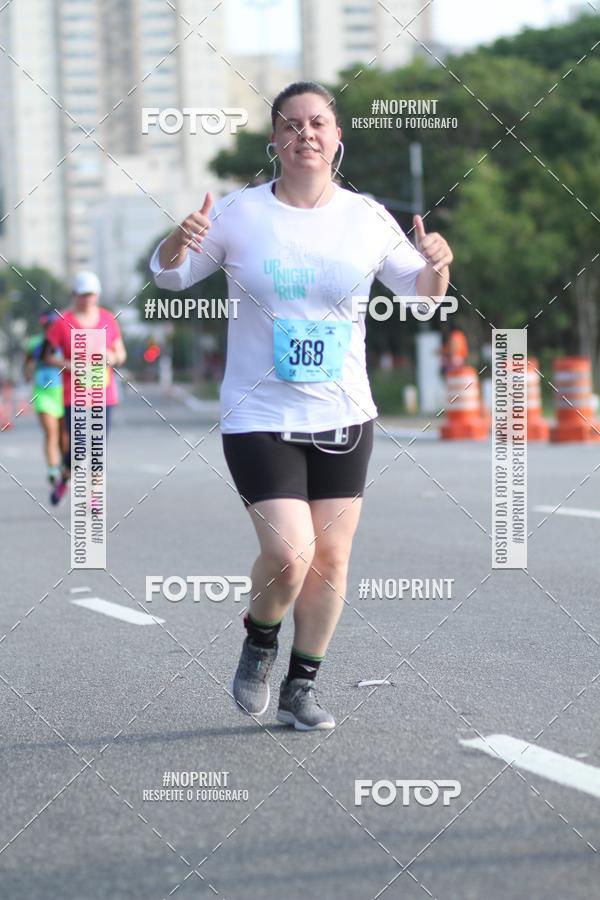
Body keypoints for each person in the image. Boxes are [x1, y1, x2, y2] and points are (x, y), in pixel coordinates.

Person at [149, 81, 453, 731]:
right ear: (275, 140)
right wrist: (180, 238)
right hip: (259, 413)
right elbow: (171, 276)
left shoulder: (366, 217)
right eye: (291, 124)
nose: (305, 134)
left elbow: (423, 294)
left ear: (337, 138)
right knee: (291, 553)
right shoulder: (240, 213)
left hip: (343, 411)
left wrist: (439, 262)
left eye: (317, 123)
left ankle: (302, 685)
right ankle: (261, 639)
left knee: (332, 558)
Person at [43, 271, 127, 506]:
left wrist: (112, 357)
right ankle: (64, 478)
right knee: (78, 449)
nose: (87, 299)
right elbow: (47, 356)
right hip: (75, 394)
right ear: (74, 295)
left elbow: (121, 353)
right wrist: (69, 364)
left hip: (103, 394)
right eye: (83, 295)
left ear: (97, 295)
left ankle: (95, 496)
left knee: (97, 446)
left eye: (91, 294)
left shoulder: (108, 319)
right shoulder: (62, 322)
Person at [23, 311, 67, 485]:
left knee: (64, 435)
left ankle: (65, 466)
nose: (49, 328)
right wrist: (28, 372)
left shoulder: (65, 342)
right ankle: (52, 469)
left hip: (63, 392)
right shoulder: (35, 343)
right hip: (43, 393)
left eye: (52, 325)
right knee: (51, 431)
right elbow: (27, 364)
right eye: (46, 325)